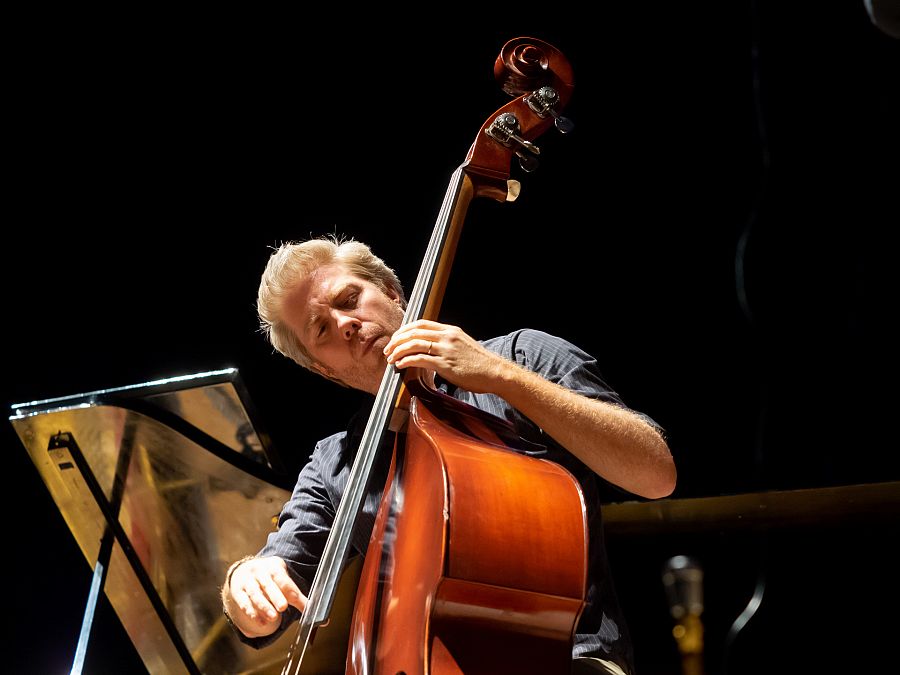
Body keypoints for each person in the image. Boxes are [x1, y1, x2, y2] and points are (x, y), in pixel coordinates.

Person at [221, 235, 677, 675]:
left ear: (392, 292)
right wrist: (245, 582)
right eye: (322, 329)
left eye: (349, 299)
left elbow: (655, 474)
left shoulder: (522, 356)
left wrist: (501, 376)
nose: (345, 324)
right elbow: (267, 605)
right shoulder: (335, 464)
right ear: (324, 369)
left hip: (567, 660)